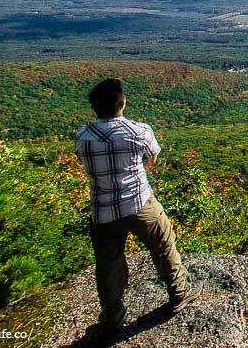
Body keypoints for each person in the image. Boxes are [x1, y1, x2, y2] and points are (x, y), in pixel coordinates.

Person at [75, 78, 202, 334]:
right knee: (163, 244)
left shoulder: (83, 137)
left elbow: (84, 162)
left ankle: (112, 317)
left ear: (95, 108)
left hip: (102, 210)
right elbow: (151, 157)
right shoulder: (139, 131)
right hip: (139, 202)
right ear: (122, 103)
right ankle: (180, 292)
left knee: (108, 262)